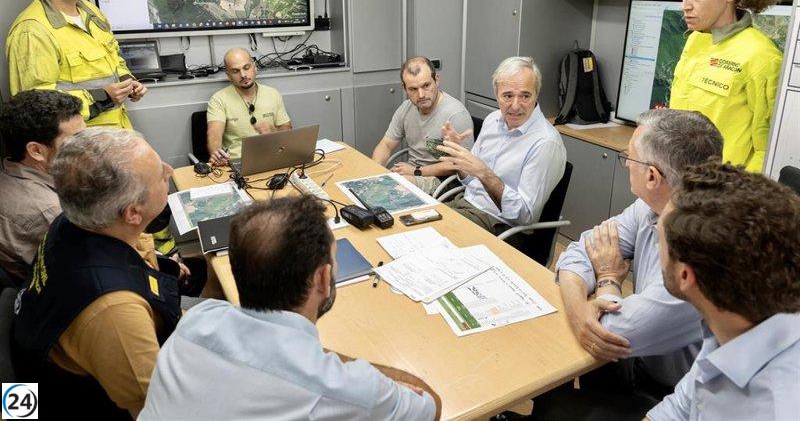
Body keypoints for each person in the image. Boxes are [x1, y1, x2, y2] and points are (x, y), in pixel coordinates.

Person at [141, 195, 441, 420]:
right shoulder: (339, 387)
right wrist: (357, 371)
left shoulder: (197, 320)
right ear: (323, 277)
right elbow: (430, 404)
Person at [533, 109, 723, 420]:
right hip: (640, 360)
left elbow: (610, 335)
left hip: (669, 393)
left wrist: (608, 278)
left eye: (629, 158)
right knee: (553, 363)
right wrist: (583, 314)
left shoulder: (697, 258)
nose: (625, 165)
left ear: (652, 176)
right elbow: (577, 253)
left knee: (556, 403)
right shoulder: (650, 206)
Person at [13, 128, 185, 419]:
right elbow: (155, 408)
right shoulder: (114, 310)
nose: (169, 171)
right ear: (132, 213)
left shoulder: (71, 221)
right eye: (161, 175)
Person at [647, 163, 800, 420]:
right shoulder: (734, 322)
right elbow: (678, 408)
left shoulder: (772, 409)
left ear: (686, 275)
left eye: (657, 236)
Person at [666, 0, 782, 172]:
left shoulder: (762, 57)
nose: (685, 5)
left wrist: (734, 201)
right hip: (677, 176)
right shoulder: (696, 40)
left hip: (720, 195)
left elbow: (766, 150)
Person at [5, 0, 147, 129]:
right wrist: (102, 96)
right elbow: (35, 104)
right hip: (75, 143)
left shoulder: (91, 12)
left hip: (117, 131)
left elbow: (115, 61)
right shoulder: (32, 30)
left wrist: (128, 84)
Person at [437, 57, 565, 242]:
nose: (515, 105)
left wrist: (485, 173)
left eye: (525, 96)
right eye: (507, 96)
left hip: (501, 226)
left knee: (432, 240)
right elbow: (470, 181)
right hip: (466, 203)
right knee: (414, 224)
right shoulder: (493, 120)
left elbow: (524, 216)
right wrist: (459, 156)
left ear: (536, 94)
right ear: (496, 95)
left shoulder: (545, 143)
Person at [0, 90, 85, 283]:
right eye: (76, 140)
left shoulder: (11, 171)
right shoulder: (49, 211)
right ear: (36, 150)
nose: (87, 146)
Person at [372, 56, 473, 194]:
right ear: (404, 88)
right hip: (413, 173)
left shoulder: (456, 115)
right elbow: (386, 145)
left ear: (436, 80)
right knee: (377, 187)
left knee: (392, 189)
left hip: (444, 181)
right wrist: (374, 173)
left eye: (426, 86)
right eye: (413, 89)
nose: (421, 95)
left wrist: (416, 171)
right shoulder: (405, 108)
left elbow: (461, 164)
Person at [207, 47, 292, 165]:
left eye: (246, 68)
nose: (243, 75)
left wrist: (274, 130)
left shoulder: (273, 93)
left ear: (255, 67)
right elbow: (214, 133)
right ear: (229, 76)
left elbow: (287, 128)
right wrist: (217, 153)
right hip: (237, 163)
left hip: (272, 158)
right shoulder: (218, 99)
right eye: (235, 71)